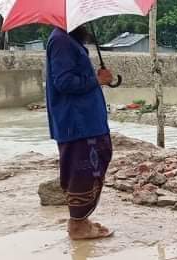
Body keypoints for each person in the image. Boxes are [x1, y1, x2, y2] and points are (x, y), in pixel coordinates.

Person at [45, 26, 114, 240]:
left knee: (93, 163)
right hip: (77, 121)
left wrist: (98, 78)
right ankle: (77, 225)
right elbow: (64, 82)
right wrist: (97, 80)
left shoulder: (69, 40)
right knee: (81, 169)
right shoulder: (62, 41)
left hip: (86, 119)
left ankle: (81, 219)